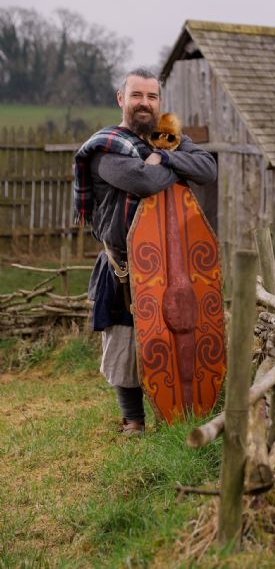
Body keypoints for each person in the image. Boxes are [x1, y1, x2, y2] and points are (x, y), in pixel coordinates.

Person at [74, 68, 217, 435]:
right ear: (121, 99)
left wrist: (167, 158)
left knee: (176, 334)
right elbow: (142, 180)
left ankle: (180, 413)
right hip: (122, 264)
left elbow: (209, 167)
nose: (144, 103)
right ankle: (134, 420)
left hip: (173, 263)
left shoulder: (166, 140)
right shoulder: (106, 147)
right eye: (137, 95)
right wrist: (171, 166)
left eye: (151, 97)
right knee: (124, 345)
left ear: (159, 102)